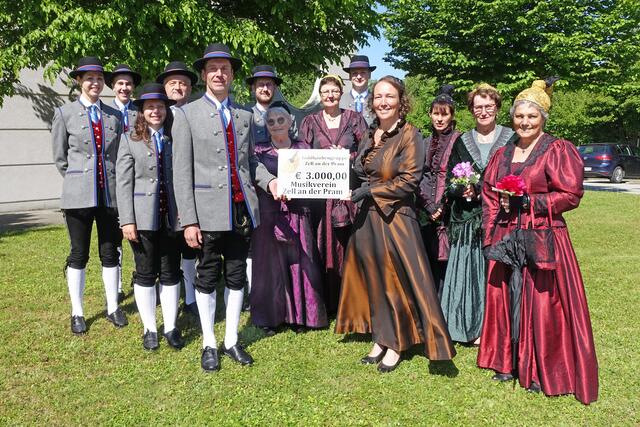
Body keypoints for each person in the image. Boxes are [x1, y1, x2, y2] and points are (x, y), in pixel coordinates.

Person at [478, 80, 598, 404]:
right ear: (513, 118)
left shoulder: (556, 149)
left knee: (542, 302)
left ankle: (537, 368)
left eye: (532, 116)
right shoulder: (502, 153)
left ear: (543, 118)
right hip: (506, 235)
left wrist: (532, 203)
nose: (525, 122)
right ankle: (506, 362)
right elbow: (489, 193)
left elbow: (571, 194)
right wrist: (490, 233)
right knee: (505, 297)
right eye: (519, 116)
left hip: (543, 234)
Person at [335, 76, 456, 372]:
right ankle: (381, 336)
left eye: (389, 96)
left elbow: (409, 180)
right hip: (367, 219)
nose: (383, 101)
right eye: (378, 97)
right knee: (374, 279)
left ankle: (398, 343)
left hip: (395, 218)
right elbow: (360, 169)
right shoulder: (370, 133)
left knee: (394, 281)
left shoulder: (409, 135)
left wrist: (371, 191)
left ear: (400, 101)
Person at [173, 43, 278, 372]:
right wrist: (188, 220)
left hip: (241, 209)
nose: (220, 74)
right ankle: (209, 342)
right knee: (207, 276)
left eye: (226, 69)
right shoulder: (186, 115)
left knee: (235, 276)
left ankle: (231, 339)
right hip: (205, 212)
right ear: (204, 75)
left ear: (232, 75)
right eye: (213, 69)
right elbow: (180, 172)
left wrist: (270, 182)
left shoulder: (245, 115)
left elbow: (250, 163)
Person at [51, 57, 127, 334]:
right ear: (79, 81)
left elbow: (119, 156)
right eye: (89, 78)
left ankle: (113, 307)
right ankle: (78, 311)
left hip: (110, 196)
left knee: (110, 252)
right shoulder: (64, 113)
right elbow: (60, 158)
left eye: (98, 78)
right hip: (78, 197)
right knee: (78, 253)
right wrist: (78, 180)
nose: (94, 83)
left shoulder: (114, 116)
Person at [440, 83, 514, 344]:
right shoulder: (462, 141)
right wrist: (462, 190)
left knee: (497, 273)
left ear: (497, 108)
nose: (483, 112)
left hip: (502, 218)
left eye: (488, 106)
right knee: (469, 272)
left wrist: (492, 190)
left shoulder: (512, 138)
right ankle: (467, 326)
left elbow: (520, 175)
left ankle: (496, 329)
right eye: (478, 107)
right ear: (471, 110)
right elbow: (450, 179)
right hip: (468, 218)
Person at [116, 83, 184, 351]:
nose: (156, 111)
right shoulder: (129, 140)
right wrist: (127, 220)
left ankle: (170, 326)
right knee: (145, 273)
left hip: (172, 217)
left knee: (170, 273)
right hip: (142, 218)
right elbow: (122, 184)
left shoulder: (176, 138)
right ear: (141, 111)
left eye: (160, 106)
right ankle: (150, 328)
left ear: (166, 109)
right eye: (150, 107)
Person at [250, 102, 327, 333]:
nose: (276, 125)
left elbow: (320, 178)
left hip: (298, 213)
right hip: (268, 215)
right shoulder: (259, 151)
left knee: (300, 264)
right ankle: (271, 317)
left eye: (280, 120)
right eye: (271, 121)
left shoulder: (304, 148)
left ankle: (302, 317)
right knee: (270, 266)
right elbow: (254, 176)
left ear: (291, 121)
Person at [299, 75, 367, 312]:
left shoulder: (355, 119)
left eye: (334, 91)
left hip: (348, 193)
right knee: (322, 245)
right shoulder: (310, 121)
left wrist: (347, 156)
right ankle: (326, 302)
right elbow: (302, 155)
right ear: (320, 94)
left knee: (349, 245)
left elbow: (367, 151)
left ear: (341, 93)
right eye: (325, 91)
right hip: (321, 197)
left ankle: (353, 300)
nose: (330, 95)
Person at [156, 61, 199, 317]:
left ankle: (191, 297)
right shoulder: (154, 113)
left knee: (191, 248)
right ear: (164, 87)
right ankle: (166, 291)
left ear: (190, 87)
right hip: (161, 193)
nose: (178, 87)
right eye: (173, 83)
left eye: (183, 83)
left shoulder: (196, 114)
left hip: (191, 191)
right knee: (164, 248)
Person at [416, 85, 461, 295]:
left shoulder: (459, 141)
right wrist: (428, 205)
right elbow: (416, 176)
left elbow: (460, 175)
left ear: (452, 116)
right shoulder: (423, 142)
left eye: (444, 114)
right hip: (425, 210)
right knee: (427, 259)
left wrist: (442, 205)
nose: (439, 119)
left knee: (448, 261)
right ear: (430, 114)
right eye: (436, 113)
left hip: (450, 211)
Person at [105, 63, 142, 303]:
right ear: (113, 86)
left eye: (128, 83)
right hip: (113, 184)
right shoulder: (106, 113)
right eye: (120, 83)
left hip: (139, 183)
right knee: (114, 237)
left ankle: (142, 276)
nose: (125, 88)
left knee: (140, 234)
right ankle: (116, 284)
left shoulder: (140, 112)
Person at [340, 55, 376, 125]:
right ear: (350, 76)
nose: (359, 77)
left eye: (363, 72)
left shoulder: (376, 100)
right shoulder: (340, 100)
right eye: (354, 73)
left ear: (369, 75)